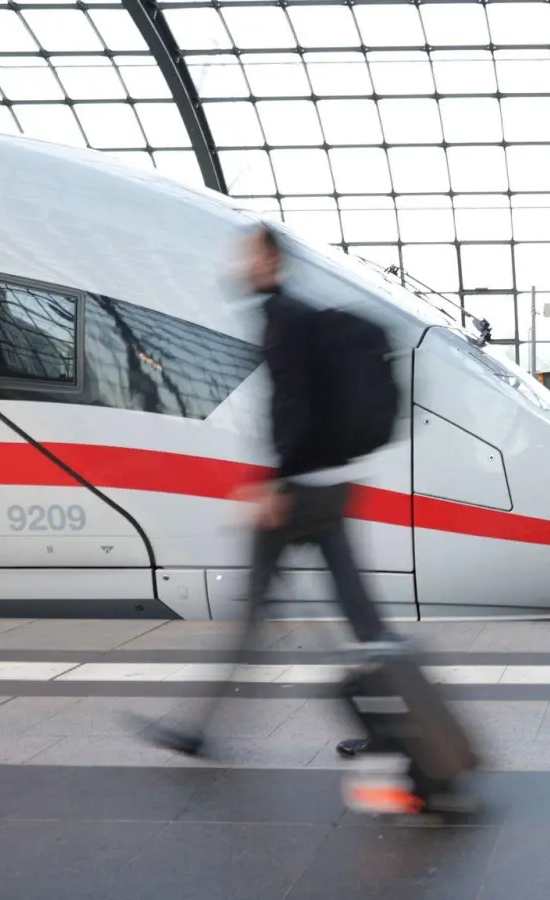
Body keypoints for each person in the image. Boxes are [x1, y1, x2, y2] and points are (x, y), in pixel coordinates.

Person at [145, 222, 400, 758]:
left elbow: (293, 407)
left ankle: (200, 728)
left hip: (300, 493)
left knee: (255, 613)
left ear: (271, 262)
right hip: (333, 487)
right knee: (360, 614)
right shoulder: (302, 316)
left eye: (250, 256)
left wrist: (275, 484)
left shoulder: (282, 319)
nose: (242, 266)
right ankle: (391, 726)